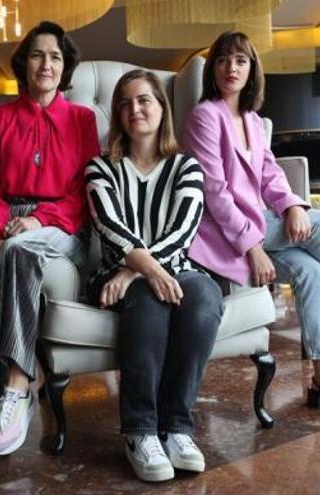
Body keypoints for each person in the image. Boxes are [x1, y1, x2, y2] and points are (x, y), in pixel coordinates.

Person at [184, 31, 320, 422]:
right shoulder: (205, 116)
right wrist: (253, 246)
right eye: (223, 60)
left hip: (261, 223)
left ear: (252, 70)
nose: (232, 68)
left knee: (313, 272)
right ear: (212, 68)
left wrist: (294, 204)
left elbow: (270, 175)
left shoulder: (251, 119)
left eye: (241, 61)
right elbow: (214, 193)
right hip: (224, 235)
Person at [0, 21, 99, 464]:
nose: (46, 64)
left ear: (64, 64)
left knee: (20, 249)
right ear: (24, 64)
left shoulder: (82, 120)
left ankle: (18, 386)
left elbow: (83, 192)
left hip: (60, 223)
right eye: (37, 55)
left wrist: (34, 222)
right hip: (4, 220)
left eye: (54, 56)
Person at [85, 69, 222, 482]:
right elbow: (109, 226)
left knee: (203, 298)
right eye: (124, 103)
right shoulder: (100, 168)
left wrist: (135, 271)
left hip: (174, 270)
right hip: (112, 273)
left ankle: (177, 427)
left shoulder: (187, 167)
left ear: (162, 109)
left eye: (144, 100)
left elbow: (183, 230)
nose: (134, 109)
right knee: (147, 297)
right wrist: (134, 274)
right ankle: (141, 431)